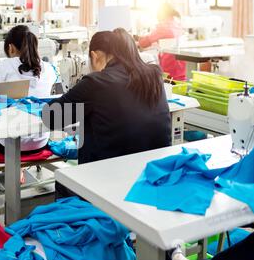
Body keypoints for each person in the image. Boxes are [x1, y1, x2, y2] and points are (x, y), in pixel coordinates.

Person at [43, 29, 172, 198]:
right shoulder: (153, 76)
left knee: (63, 181)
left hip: (109, 181)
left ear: (95, 56)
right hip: (153, 174)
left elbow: (51, 118)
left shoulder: (96, 82)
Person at [0, 25, 58, 153]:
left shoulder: (4, 65)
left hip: (9, 143)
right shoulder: (49, 69)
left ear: (10, 48)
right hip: (41, 141)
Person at [137, 3, 186, 81]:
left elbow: (144, 43)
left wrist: (136, 42)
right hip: (181, 70)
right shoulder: (178, 25)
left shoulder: (162, 27)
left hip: (169, 70)